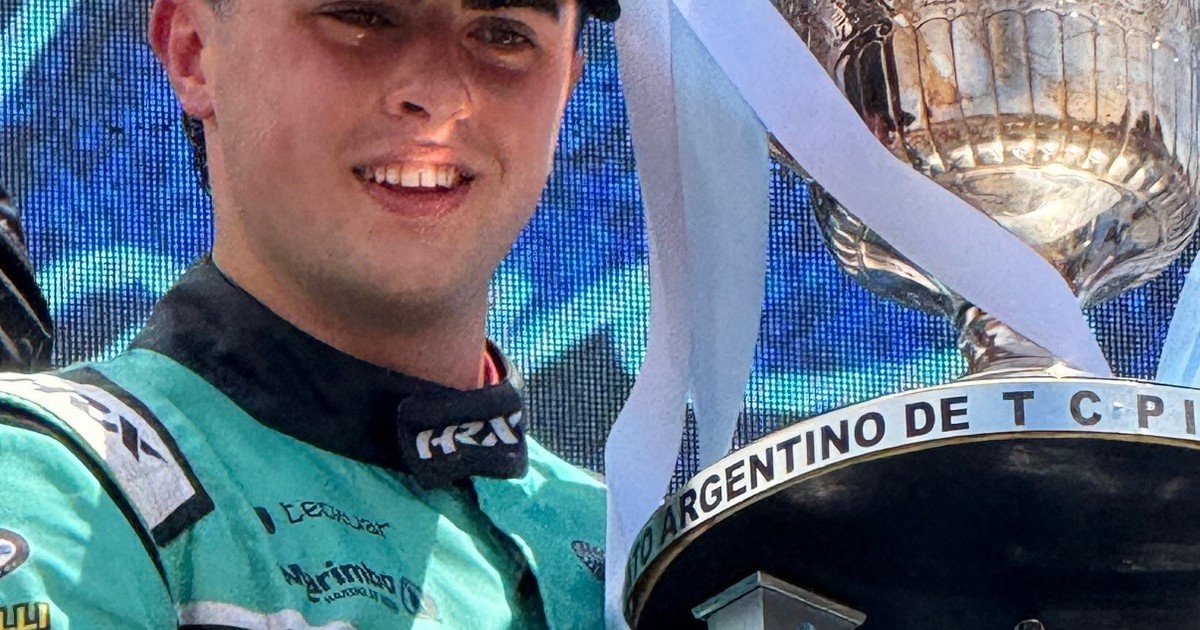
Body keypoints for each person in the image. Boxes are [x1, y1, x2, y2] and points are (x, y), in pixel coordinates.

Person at [0, 0, 620, 627]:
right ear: (193, 52)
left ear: (567, 84)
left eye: (503, 34)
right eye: (363, 16)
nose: (440, 97)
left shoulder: (627, 542)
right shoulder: (53, 481)